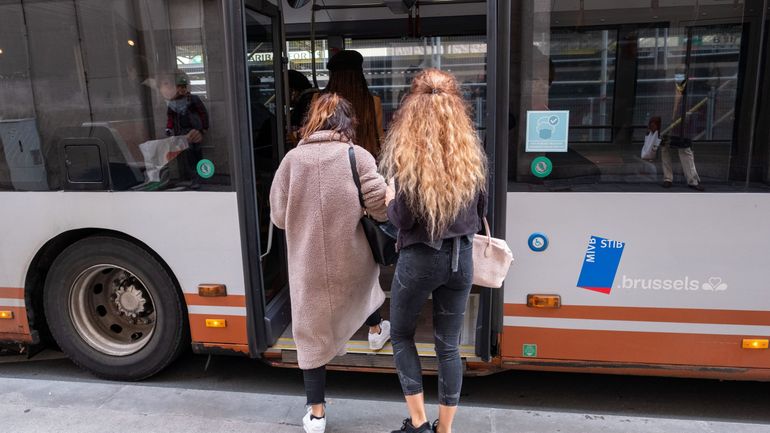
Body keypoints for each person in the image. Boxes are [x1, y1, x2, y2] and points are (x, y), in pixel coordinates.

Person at [269, 93, 391, 433]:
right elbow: (381, 209)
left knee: (310, 332)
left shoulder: (292, 161)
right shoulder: (358, 156)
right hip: (351, 259)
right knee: (366, 287)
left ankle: (317, 414)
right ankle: (376, 331)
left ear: (313, 122)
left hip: (307, 265)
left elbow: (279, 217)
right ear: (346, 122)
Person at [380, 69, 487, 433]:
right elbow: (481, 209)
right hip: (462, 257)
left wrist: (392, 199)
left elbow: (404, 220)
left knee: (401, 335)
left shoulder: (408, 154)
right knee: (449, 346)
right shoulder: (469, 152)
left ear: (412, 106)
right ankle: (445, 430)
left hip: (421, 258)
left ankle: (420, 422)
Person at [322, 50, 384, 158]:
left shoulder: (319, 100)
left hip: (328, 159)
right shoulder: (372, 102)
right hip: (364, 160)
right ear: (360, 74)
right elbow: (378, 137)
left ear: (333, 76)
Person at [163, 71, 208, 188]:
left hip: (195, 130)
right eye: (180, 87)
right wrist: (169, 128)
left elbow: (203, 113)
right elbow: (171, 118)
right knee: (189, 155)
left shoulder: (193, 99)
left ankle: (200, 176)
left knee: (197, 152)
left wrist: (204, 128)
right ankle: (194, 177)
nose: (182, 89)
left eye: (184, 87)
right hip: (183, 132)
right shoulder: (173, 102)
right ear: (177, 88)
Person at [661, 71, 704, 191]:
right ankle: (668, 178)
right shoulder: (670, 86)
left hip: (683, 122)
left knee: (685, 149)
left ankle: (692, 180)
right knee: (665, 149)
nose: (679, 77)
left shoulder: (690, 87)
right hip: (669, 121)